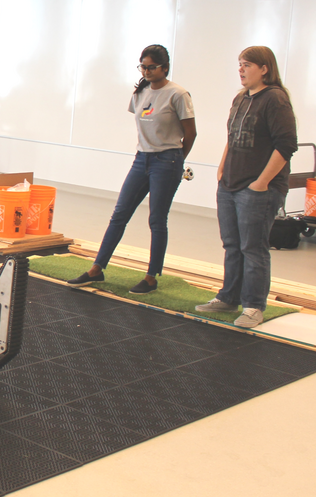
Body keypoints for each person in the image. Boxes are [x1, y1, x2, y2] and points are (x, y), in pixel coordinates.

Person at [68, 44, 196, 294]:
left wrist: (178, 159)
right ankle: (97, 269)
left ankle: (151, 276)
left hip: (167, 160)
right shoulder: (140, 92)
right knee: (120, 213)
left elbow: (191, 133)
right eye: (143, 66)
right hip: (142, 159)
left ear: (165, 68)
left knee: (157, 219)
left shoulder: (178, 95)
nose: (146, 71)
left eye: (151, 67)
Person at [196, 46, 297, 328]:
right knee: (232, 245)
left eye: (247, 65)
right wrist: (221, 166)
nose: (241, 70)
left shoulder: (275, 99)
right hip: (230, 183)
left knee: (253, 247)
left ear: (264, 68)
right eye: (239, 64)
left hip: (258, 189)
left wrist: (261, 182)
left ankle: (254, 306)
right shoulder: (241, 98)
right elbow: (232, 135)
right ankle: (229, 298)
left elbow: (286, 145)